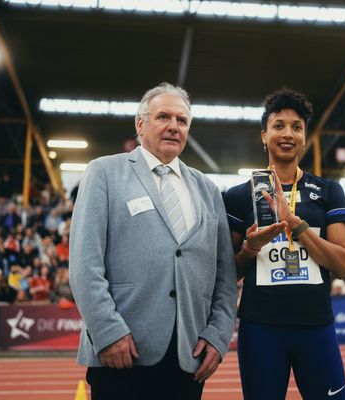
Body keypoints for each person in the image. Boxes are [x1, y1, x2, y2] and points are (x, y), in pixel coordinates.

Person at [69, 82, 237, 400]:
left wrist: (218, 336)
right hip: (122, 352)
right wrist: (107, 333)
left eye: (182, 120)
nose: (173, 126)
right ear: (140, 123)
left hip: (189, 356)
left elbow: (225, 277)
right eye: (163, 117)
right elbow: (84, 263)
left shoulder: (209, 189)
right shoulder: (103, 172)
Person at [223, 88, 345, 399]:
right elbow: (225, 274)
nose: (287, 133)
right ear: (264, 135)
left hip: (316, 326)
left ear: (305, 138)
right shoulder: (238, 195)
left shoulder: (327, 191)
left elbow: (342, 265)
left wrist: (297, 226)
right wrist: (250, 249)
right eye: (278, 125)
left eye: (296, 127)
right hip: (260, 328)